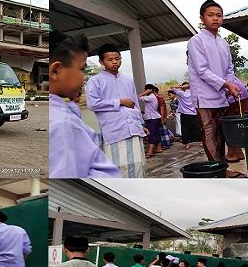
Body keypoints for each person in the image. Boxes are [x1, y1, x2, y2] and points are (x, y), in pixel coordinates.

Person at [48, 31, 120, 178]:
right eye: (81, 69)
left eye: (117, 58)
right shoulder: (62, 124)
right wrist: (119, 102)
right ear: (56, 70)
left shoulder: (61, 114)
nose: (84, 76)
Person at [187, 0, 241, 164]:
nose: (215, 18)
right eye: (210, 15)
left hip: (222, 95)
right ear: (202, 18)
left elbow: (230, 68)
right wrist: (226, 84)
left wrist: (229, 84)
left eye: (218, 15)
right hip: (204, 97)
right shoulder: (196, 41)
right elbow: (202, 70)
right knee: (210, 131)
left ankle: (222, 165)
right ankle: (217, 167)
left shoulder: (224, 43)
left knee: (221, 132)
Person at [87, 43, 147, 178]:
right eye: (110, 59)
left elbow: (135, 104)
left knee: (138, 165)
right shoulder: (95, 81)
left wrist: (142, 124)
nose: (114, 62)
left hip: (134, 128)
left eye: (117, 58)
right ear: (101, 62)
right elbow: (92, 104)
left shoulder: (127, 80)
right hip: (115, 130)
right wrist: (119, 102)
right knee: (119, 166)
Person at [225, 75, 248, 164]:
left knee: (229, 125)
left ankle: (232, 153)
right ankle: (239, 152)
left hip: (232, 93)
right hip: (241, 92)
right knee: (238, 122)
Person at [169, 82, 200, 150]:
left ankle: (187, 144)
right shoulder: (194, 93)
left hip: (185, 113)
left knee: (185, 129)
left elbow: (172, 88)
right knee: (197, 128)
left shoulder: (181, 93)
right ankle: (201, 142)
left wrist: (180, 87)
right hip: (194, 113)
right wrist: (187, 86)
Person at [138, 84, 162, 158]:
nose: (145, 91)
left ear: (150, 90)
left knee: (152, 134)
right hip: (154, 117)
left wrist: (146, 92)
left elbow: (137, 97)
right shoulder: (152, 97)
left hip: (153, 118)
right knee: (156, 133)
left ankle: (150, 151)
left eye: (146, 89)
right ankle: (159, 148)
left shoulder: (150, 97)